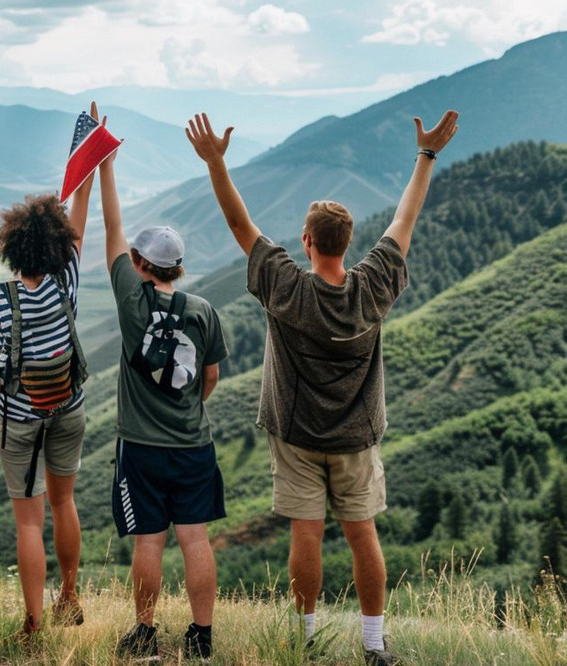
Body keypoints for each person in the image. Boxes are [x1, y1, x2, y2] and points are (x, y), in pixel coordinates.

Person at [186, 109, 459, 666]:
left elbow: (241, 227)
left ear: (307, 241)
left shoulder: (286, 288)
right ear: (350, 242)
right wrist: (426, 155)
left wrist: (216, 163)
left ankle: (306, 640)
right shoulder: (373, 288)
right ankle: (375, 645)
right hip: (357, 439)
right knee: (364, 538)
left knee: (304, 538)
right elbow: (405, 222)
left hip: (295, 436)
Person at [96, 117, 228, 662]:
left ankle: (145, 633)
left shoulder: (131, 300)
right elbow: (211, 377)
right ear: (178, 267)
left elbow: (111, 229)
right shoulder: (203, 311)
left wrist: (106, 168)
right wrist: (188, 410)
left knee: (148, 540)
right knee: (194, 539)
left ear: (141, 264)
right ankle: (201, 636)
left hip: (141, 447)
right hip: (193, 445)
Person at [0, 108, 98, 636]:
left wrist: (15, 388)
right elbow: (80, 215)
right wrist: (88, 149)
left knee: (29, 520)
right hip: (68, 408)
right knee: (65, 501)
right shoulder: (66, 279)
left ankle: (32, 619)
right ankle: (69, 594)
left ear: (11, 248)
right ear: (55, 245)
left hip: (20, 419)